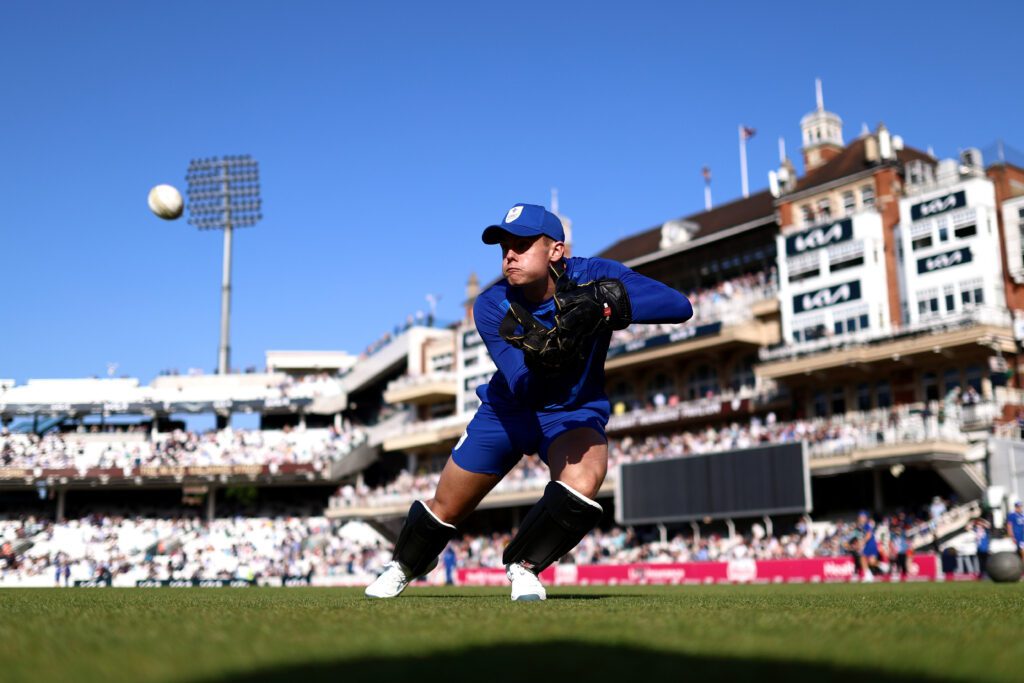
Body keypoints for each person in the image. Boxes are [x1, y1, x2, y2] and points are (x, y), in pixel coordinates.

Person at [365, 203, 693, 600]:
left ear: (556, 250)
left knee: (584, 483)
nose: (509, 255)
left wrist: (603, 305)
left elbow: (680, 307)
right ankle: (403, 564)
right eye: (504, 246)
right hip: (508, 411)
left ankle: (524, 567)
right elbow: (521, 382)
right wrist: (554, 346)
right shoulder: (491, 304)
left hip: (572, 412)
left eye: (522, 244)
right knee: (445, 505)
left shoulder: (597, 274)